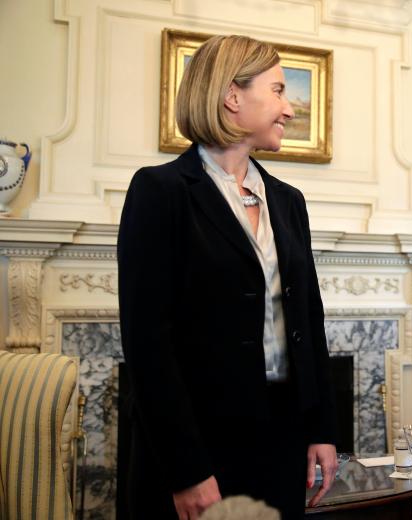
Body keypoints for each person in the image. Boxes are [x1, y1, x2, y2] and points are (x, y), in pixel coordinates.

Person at [117, 35, 337, 520]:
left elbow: (309, 320)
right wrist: (186, 470)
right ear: (232, 96)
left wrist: (321, 428)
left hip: (281, 441)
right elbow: (148, 345)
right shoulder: (160, 192)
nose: (288, 108)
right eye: (278, 90)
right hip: (197, 450)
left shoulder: (288, 200)